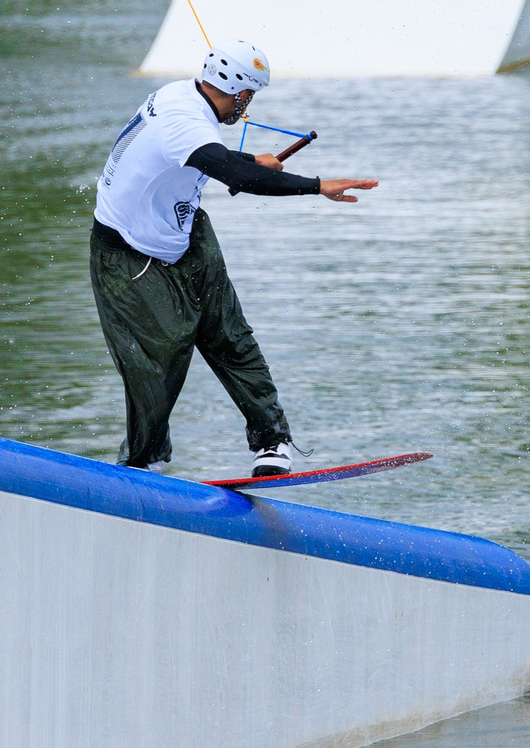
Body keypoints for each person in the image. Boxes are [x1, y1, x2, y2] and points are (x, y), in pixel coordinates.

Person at [89, 39, 378, 477]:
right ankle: (139, 463)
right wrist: (318, 185)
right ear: (240, 92)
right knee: (157, 358)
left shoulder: (182, 96)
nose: (247, 108)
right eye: (250, 99)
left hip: (185, 232)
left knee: (230, 336)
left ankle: (272, 443)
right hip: (127, 253)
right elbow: (234, 174)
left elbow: (212, 160)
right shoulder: (183, 121)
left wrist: (246, 160)